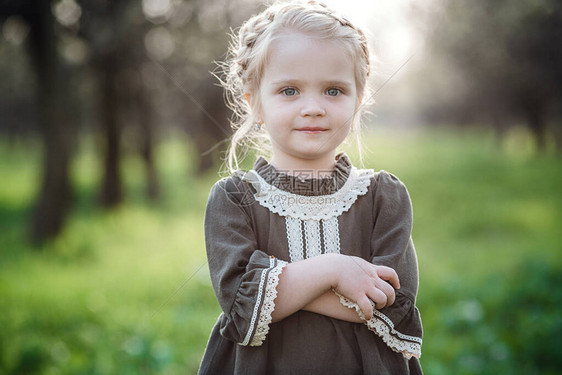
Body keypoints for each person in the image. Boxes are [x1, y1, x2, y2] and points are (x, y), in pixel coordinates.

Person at [198, 1, 423, 373]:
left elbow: (392, 304)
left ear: (359, 100)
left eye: (334, 90)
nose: (314, 107)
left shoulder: (383, 197)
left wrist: (278, 285)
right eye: (289, 90)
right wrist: (332, 270)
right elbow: (241, 305)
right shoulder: (234, 199)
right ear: (255, 104)